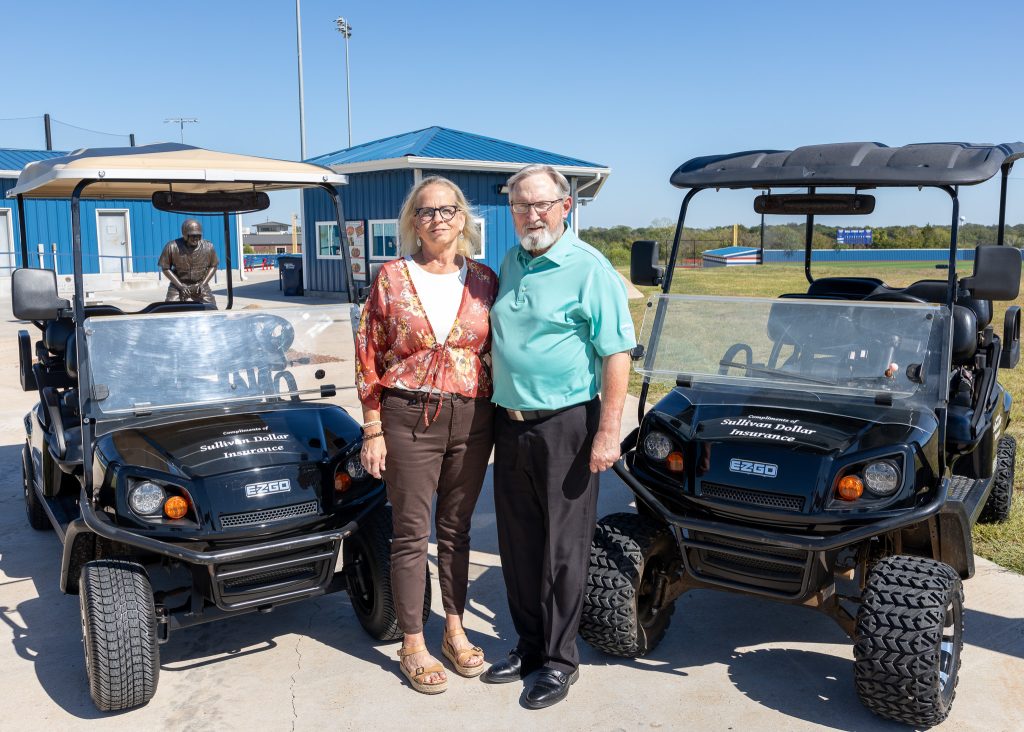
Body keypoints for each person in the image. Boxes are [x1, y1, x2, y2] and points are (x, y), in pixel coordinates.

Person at [484, 164, 635, 709]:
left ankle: (559, 660)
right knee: (518, 543)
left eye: (543, 204)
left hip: (568, 425)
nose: (533, 214)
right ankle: (527, 646)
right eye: (522, 206)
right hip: (512, 423)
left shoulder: (588, 267)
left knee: (562, 549)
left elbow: (616, 352)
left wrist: (609, 431)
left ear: (565, 207)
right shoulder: (512, 262)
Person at [355, 176, 498, 695]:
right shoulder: (391, 278)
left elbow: (495, 352)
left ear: (462, 218)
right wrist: (373, 426)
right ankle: (413, 640)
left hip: (473, 416)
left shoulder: (485, 279)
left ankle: (453, 629)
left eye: (446, 210)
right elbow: (367, 352)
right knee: (412, 532)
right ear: (411, 222)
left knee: (458, 531)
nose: (436, 219)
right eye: (424, 211)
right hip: (408, 415)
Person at [159, 219, 218, 306]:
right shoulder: (171, 246)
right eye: (193, 235)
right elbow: (165, 268)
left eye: (198, 235)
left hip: (200, 284)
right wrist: (180, 286)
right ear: (185, 235)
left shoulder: (208, 247)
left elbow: (213, 265)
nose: (196, 238)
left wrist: (203, 284)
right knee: (170, 308)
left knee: (211, 308)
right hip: (178, 284)